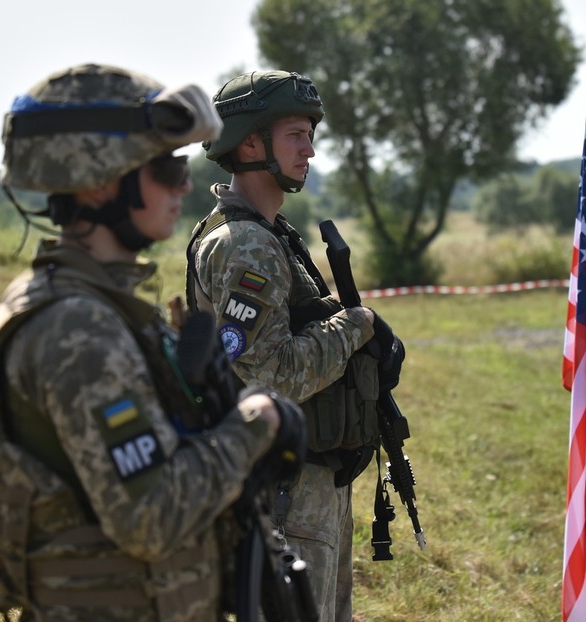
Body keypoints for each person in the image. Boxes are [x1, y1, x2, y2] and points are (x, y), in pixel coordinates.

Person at [0, 63, 304, 621]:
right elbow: (149, 516)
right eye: (165, 169)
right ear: (102, 181)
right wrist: (258, 421)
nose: (184, 185)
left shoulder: (102, 309)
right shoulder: (77, 330)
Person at [186, 70, 402, 621]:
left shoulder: (267, 232)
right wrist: (358, 325)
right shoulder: (247, 247)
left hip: (305, 483)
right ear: (250, 142)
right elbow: (272, 376)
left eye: (311, 134)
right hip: (284, 491)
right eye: (294, 135)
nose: (309, 149)